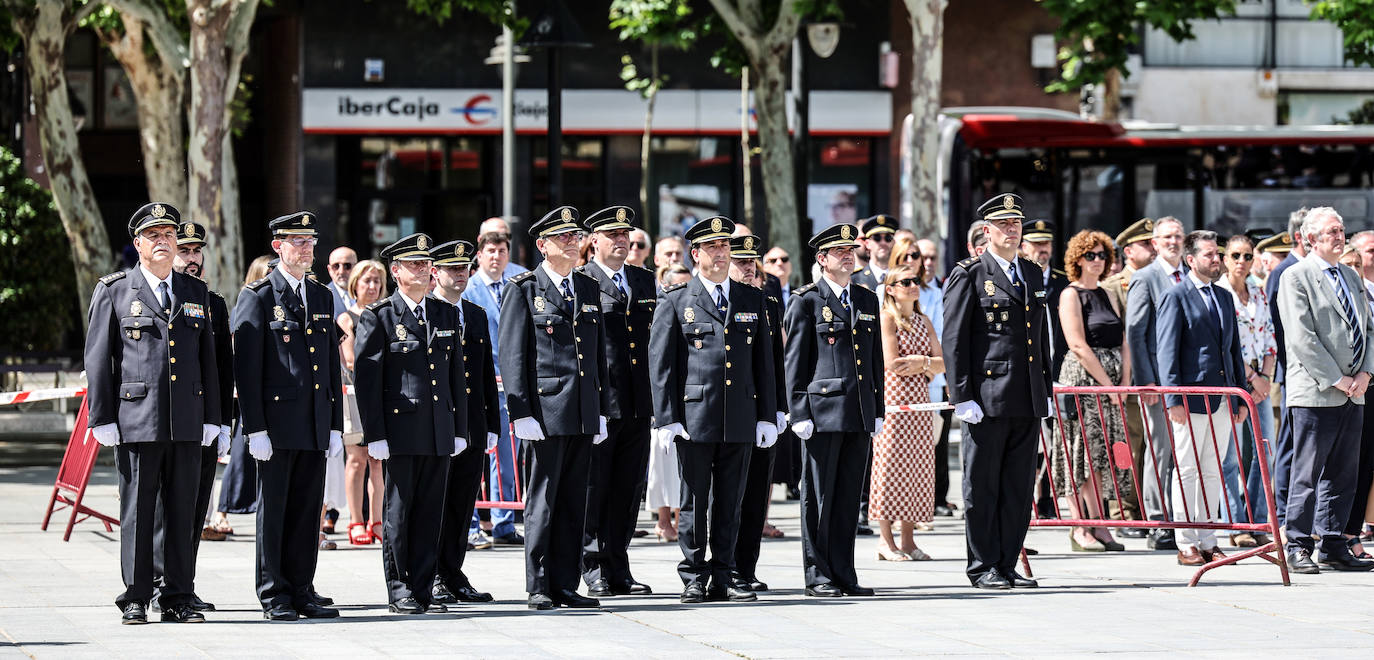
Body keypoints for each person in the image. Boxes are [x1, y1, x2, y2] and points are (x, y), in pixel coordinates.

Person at [85, 202, 222, 624]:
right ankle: (136, 595)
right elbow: (98, 358)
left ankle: (178, 596)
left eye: (169, 235)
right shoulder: (114, 289)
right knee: (139, 511)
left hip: (186, 419)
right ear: (138, 244)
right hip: (137, 419)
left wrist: (214, 417)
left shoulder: (194, 291)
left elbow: (208, 360)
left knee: (183, 512)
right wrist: (101, 417)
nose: (164, 241)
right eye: (154, 235)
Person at [651, 215, 776, 604]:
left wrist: (768, 415)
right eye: (713, 247)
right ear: (696, 254)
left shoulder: (751, 299)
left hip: (739, 414)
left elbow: (764, 363)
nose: (721, 254)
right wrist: (666, 416)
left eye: (725, 246)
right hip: (695, 418)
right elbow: (663, 364)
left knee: (729, 501)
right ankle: (693, 574)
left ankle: (724, 574)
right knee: (693, 501)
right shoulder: (677, 300)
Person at [232, 211, 343, 621]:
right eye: (298, 241)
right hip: (276, 428)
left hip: (314, 424)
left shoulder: (320, 295)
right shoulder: (258, 296)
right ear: (278, 247)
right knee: (275, 512)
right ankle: (274, 592)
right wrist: (255, 427)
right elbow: (247, 369)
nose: (307, 248)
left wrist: (334, 425)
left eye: (311, 240)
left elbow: (330, 363)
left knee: (304, 511)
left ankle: (302, 588)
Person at [500, 206, 610, 611]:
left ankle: (566, 582)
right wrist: (521, 412)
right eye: (561, 236)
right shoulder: (525, 288)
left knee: (572, 501)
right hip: (544, 412)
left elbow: (596, 354)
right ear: (543, 245)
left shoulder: (586, 287)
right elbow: (513, 354)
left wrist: (599, 406)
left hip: (581, 409)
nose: (571, 241)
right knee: (543, 501)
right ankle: (540, 583)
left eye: (574, 235)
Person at [354, 233, 468, 614]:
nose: (423, 269)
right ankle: (400, 587)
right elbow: (367, 381)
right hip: (400, 432)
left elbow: (455, 377)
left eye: (425, 263)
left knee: (430, 512)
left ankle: (423, 586)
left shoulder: (445, 313)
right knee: (399, 514)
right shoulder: (380, 315)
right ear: (396, 271)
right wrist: (376, 434)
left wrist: (459, 429)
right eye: (413, 264)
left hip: (438, 428)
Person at [943, 193, 1051, 590]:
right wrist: (961, 395)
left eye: (1016, 223)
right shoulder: (970, 272)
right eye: (1003, 224)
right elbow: (954, 338)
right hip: (986, 396)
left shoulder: (1032, 272)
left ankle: (1007, 562)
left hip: (1026, 394)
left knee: (1018, 487)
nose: (1012, 230)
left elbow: (1039, 337)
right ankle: (983, 564)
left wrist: (1046, 385)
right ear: (986, 231)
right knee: (983, 484)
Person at [785, 222, 883, 597]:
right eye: (838, 252)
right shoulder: (807, 300)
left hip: (858, 411)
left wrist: (878, 407)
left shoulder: (866, 298)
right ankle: (818, 574)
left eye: (850, 250)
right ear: (822, 259)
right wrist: (799, 412)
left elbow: (874, 360)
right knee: (819, 498)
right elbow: (796, 361)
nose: (847, 256)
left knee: (846, 498)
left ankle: (844, 571)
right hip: (822, 411)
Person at [1277, 208, 1374, 573]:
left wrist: (1365, 373)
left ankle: (1333, 543)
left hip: (1354, 389)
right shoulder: (1295, 276)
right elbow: (1302, 337)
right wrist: (1337, 378)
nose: (1340, 235)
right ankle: (1298, 544)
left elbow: (1369, 329)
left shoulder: (1351, 276)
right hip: (1318, 389)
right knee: (1308, 471)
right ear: (1310, 238)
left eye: (1342, 229)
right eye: (1332, 231)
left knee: (1344, 471)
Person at [148, 222, 233, 615]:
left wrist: (225, 422)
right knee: (164, 507)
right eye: (185, 250)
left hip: (202, 421)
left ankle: (184, 583)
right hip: (161, 422)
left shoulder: (211, 302)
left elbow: (222, 368)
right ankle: (156, 582)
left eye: (197, 251)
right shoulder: (154, 296)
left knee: (196, 505)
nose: (192, 258)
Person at [577, 206, 656, 598]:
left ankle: (619, 563)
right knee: (596, 487)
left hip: (639, 402)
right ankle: (592, 564)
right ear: (594, 240)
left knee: (628, 490)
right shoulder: (582, 281)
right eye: (612, 234)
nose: (622, 241)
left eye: (626, 234)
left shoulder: (644, 281)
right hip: (603, 403)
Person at [1156, 230, 1247, 566]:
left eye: (1217, 254)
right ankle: (1186, 541)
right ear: (1190, 260)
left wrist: (1239, 397)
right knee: (1187, 469)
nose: (1217, 260)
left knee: (1212, 469)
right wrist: (1173, 399)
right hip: (1190, 398)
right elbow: (1167, 353)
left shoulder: (1223, 296)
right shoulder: (1176, 296)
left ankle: (1209, 538)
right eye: (1209, 255)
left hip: (1222, 397)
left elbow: (1233, 350)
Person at [1052, 230, 1131, 553]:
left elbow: (1123, 339)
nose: (1097, 261)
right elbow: (1077, 344)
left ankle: (1099, 523)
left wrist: (1125, 382)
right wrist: (1108, 385)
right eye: (1091, 256)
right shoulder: (1071, 294)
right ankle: (1078, 525)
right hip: (1083, 382)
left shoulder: (1107, 293)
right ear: (1078, 259)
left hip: (1111, 383)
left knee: (1100, 457)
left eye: (1102, 255)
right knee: (1078, 453)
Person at [429, 239, 498, 604]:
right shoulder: (428, 312)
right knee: (436, 502)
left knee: (462, 502)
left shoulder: (474, 314)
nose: (460, 274)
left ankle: (453, 571)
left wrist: (491, 424)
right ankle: (434, 574)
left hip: (471, 422)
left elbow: (485, 372)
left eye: (464, 268)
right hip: (439, 422)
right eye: (451, 269)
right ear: (434, 272)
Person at [728, 233, 788, 592]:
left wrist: (779, 407)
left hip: (760, 410)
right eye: (741, 261)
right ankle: (726, 567)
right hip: (729, 410)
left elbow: (775, 362)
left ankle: (746, 568)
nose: (749, 268)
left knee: (755, 497)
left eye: (753, 262)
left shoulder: (766, 300)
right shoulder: (720, 301)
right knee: (729, 496)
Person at [871, 263, 943, 561]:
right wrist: (925, 363)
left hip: (920, 404)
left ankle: (909, 540)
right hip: (895, 402)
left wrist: (922, 363)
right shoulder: (887, 318)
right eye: (905, 282)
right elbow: (892, 363)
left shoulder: (923, 320)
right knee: (890, 469)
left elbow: (941, 363)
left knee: (917, 470)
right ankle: (886, 541)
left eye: (916, 280)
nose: (913, 285)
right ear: (891, 289)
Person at [1126, 216, 1187, 551]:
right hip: (1158, 382)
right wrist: (1145, 379)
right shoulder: (1145, 277)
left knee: (1184, 453)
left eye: (1178, 236)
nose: (1173, 242)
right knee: (1160, 449)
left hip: (1187, 380)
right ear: (1154, 242)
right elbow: (1135, 332)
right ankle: (1156, 518)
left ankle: (1181, 516)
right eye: (1166, 237)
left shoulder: (1190, 275)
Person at [462, 231, 526, 548]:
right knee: (475, 456)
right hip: (480, 382)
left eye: (501, 251)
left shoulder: (514, 286)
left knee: (506, 455)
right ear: (479, 254)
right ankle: (472, 522)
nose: (496, 257)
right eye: (490, 251)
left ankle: (503, 521)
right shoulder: (469, 289)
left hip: (509, 384)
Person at [1216, 235, 1277, 547]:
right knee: (1230, 456)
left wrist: (1265, 376)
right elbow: (1225, 344)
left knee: (1266, 451)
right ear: (1225, 259)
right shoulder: (1219, 292)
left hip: (1260, 378)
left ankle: (1258, 519)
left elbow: (1269, 337)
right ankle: (1235, 523)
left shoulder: (1258, 291)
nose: (1242, 261)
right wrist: (1253, 377)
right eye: (1236, 255)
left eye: (1248, 256)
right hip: (1234, 377)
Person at [209, 255, 274, 536]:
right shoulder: (248, 303)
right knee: (239, 452)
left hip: (271, 392)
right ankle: (222, 511)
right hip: (244, 391)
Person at [1099, 219, 1155, 535]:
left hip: (1154, 377)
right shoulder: (1114, 285)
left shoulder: (1164, 279)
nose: (1153, 248)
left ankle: (1147, 507)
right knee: (1125, 447)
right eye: (1146, 244)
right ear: (1129, 251)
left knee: (1152, 447)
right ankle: (1123, 511)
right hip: (1126, 378)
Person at [334, 259, 387, 545]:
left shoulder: (384, 314)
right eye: (367, 281)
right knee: (356, 460)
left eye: (377, 281)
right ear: (355, 284)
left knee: (377, 461)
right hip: (354, 395)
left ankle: (376, 520)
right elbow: (351, 359)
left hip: (381, 395)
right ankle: (355, 520)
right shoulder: (347, 318)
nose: (373, 286)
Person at [1270, 212, 1309, 533]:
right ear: (1301, 237)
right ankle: (1282, 512)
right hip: (1292, 373)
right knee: (1289, 445)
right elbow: (1278, 328)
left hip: (1305, 375)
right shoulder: (1285, 271)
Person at [646, 263, 690, 542]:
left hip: (690, 399)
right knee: (662, 465)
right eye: (679, 284)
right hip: (665, 400)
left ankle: (678, 518)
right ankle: (664, 519)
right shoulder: (667, 303)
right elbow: (660, 359)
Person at [916, 238, 955, 517]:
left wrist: (931, 368)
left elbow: (944, 333)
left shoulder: (940, 290)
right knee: (911, 445)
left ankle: (937, 498)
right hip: (907, 377)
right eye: (923, 257)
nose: (928, 263)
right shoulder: (904, 288)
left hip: (936, 377)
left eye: (932, 257)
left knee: (937, 442)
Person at [1347, 230, 1374, 553]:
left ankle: (1353, 530)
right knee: (1352, 465)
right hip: (1354, 387)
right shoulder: (1350, 294)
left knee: (1366, 462)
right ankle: (1345, 534)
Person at [851, 214, 897, 292]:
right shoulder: (854, 279)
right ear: (867, 243)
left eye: (888, 238)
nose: (883, 243)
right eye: (877, 238)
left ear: (893, 242)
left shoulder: (902, 277)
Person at [326, 246, 358, 317]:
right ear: (329, 270)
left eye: (347, 266)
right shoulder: (322, 297)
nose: (341, 271)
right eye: (336, 266)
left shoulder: (366, 293)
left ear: (356, 267)